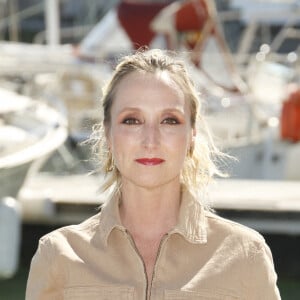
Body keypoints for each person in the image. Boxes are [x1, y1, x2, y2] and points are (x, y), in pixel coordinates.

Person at [26, 49, 281, 299]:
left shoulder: (245, 255)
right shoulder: (58, 256)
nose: (151, 140)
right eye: (132, 120)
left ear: (192, 135)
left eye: (169, 120)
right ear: (108, 134)